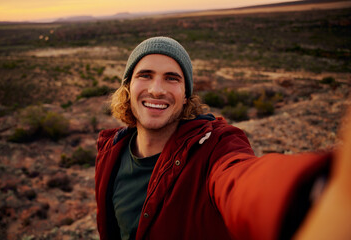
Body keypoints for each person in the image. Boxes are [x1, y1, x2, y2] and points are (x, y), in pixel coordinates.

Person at [95, 36, 350, 240]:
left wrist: (315, 192)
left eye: (172, 78)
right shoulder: (111, 151)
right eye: (145, 75)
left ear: (186, 96)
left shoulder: (213, 148)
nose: (157, 90)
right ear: (127, 89)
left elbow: (240, 182)